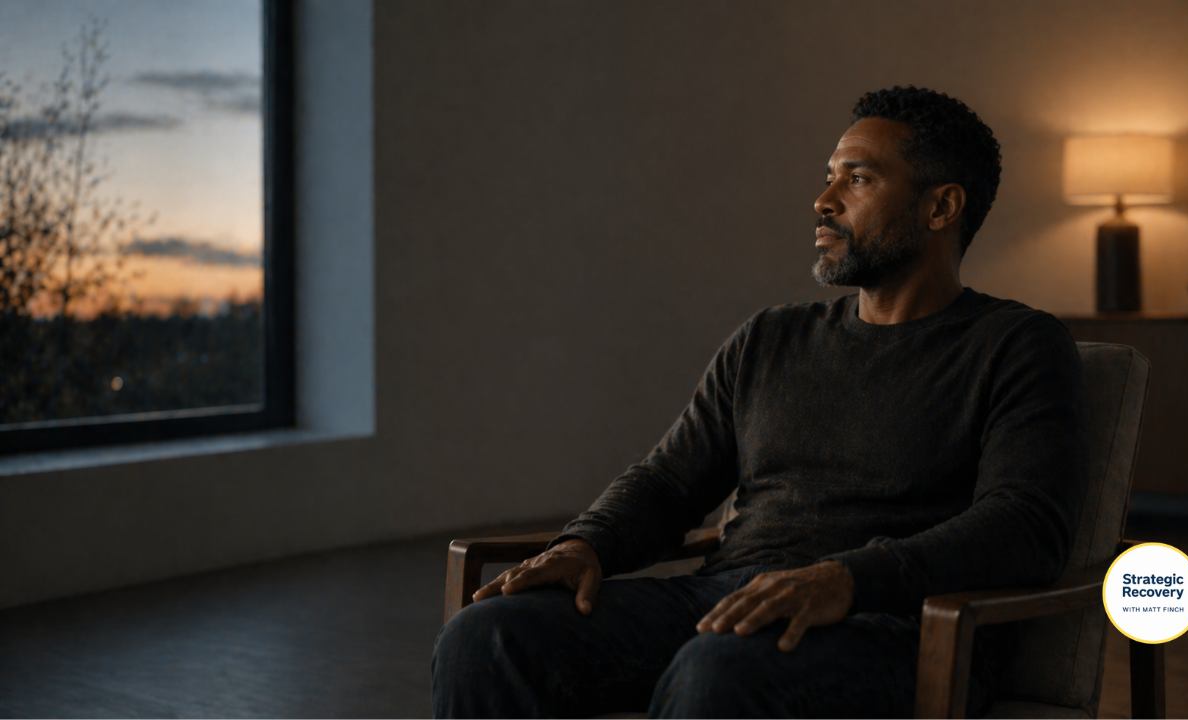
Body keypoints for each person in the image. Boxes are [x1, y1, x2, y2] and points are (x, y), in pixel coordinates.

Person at [432, 86, 1088, 719]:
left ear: (941, 208)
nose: (823, 200)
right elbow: (667, 482)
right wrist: (588, 544)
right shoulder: (771, 338)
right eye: (830, 176)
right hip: (729, 598)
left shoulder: (1017, 345)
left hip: (895, 629)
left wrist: (847, 578)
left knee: (718, 670)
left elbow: (1025, 523)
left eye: (857, 180)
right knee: (488, 636)